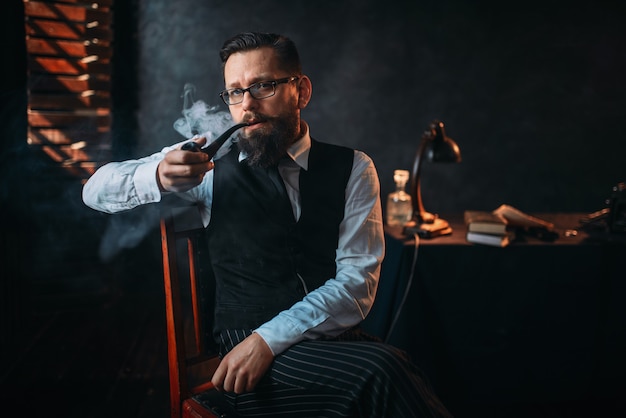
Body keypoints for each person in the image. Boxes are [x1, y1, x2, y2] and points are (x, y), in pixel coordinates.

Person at [83, 31, 453, 417]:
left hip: (322, 344)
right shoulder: (207, 170)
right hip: (243, 360)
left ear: (301, 91)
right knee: (384, 372)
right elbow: (94, 190)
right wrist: (158, 175)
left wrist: (269, 339)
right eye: (235, 92)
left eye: (263, 86)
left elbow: (357, 284)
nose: (247, 106)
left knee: (391, 370)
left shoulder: (355, 168)